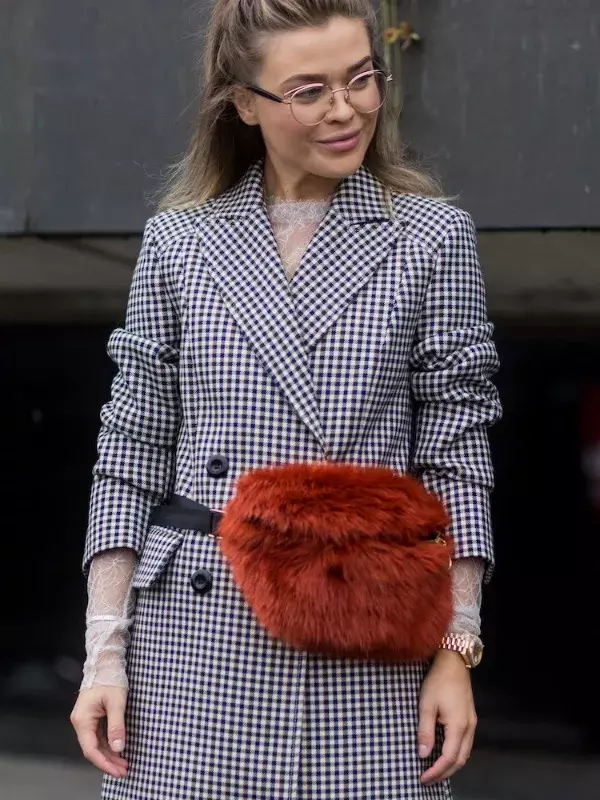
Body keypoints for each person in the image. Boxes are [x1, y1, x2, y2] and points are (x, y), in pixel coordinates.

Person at [70, 1, 502, 798]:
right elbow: (129, 456)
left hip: (367, 638)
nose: (346, 110)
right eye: (309, 91)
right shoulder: (179, 243)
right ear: (244, 102)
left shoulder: (432, 238)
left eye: (361, 78)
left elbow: (456, 457)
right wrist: (104, 654)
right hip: (193, 648)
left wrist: (457, 648)